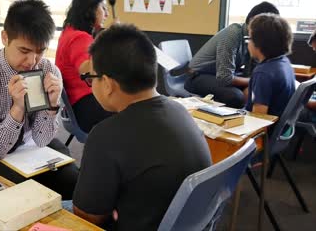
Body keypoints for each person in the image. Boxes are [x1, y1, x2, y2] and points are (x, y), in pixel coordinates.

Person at [71, 24, 212, 230]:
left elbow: (88, 217)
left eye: (90, 78)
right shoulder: (180, 111)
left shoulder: (105, 136)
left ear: (108, 84)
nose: (90, 84)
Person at [0, 0, 78, 199]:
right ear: (5, 37)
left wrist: (51, 106)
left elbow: (42, 139)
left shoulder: (49, 71)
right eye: (24, 51)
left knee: (77, 186)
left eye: (40, 51)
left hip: (33, 144)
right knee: (24, 197)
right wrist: (17, 109)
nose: (32, 61)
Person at [185, 2, 280, 108]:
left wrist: (255, 81)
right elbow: (225, 78)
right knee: (236, 97)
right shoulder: (233, 34)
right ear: (254, 21)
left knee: (257, 90)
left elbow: (252, 71)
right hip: (198, 76)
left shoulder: (254, 38)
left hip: (220, 75)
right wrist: (254, 80)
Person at [55, 0, 113, 133]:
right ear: (90, 10)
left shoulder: (69, 31)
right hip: (84, 107)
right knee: (132, 111)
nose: (106, 14)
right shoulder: (79, 37)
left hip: (76, 106)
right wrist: (107, 39)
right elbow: (90, 74)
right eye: (103, 8)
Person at [245, 13, 295, 116]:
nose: (248, 42)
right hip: (283, 129)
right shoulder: (284, 62)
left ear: (259, 43)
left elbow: (258, 119)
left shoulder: (263, 73)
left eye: (249, 38)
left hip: (264, 129)